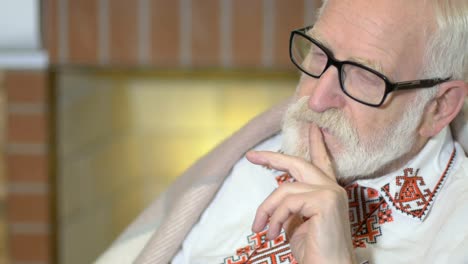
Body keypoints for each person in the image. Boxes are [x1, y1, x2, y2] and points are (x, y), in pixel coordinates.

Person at [97, 0, 468, 263]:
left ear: (439, 107)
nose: (318, 98)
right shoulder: (253, 159)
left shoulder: (457, 235)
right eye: (320, 54)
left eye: (366, 75)